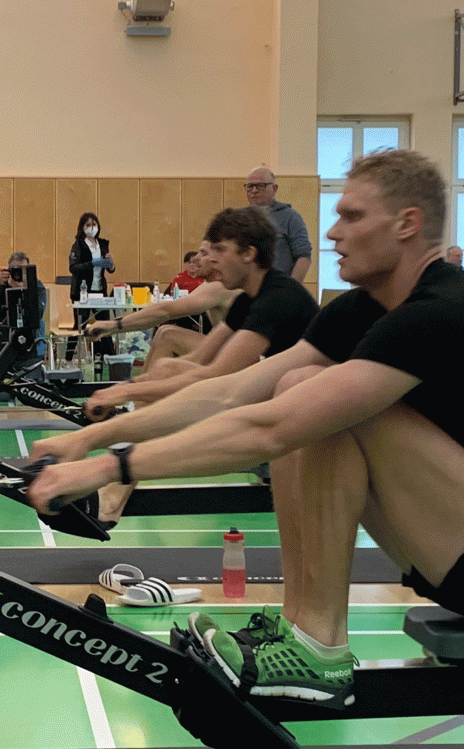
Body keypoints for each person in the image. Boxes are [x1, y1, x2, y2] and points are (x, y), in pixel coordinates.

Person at [27, 150, 464, 707]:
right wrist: (89, 438)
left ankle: (319, 647)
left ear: (407, 224)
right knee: (296, 384)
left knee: (317, 406)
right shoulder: (363, 309)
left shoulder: (439, 311)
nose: (332, 232)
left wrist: (109, 468)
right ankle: (298, 626)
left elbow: (270, 430)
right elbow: (230, 392)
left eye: (351, 216)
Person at [63, 207, 316, 525]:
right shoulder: (246, 299)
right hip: (269, 391)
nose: (210, 260)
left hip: (298, 415)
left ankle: (115, 484)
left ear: (249, 254)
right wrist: (136, 388)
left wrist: (126, 390)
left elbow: (215, 374)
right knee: (168, 367)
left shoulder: (276, 298)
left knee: (173, 366)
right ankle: (118, 464)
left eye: (219, 250)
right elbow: (198, 362)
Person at [85, 240, 238, 361]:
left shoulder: (220, 285)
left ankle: (141, 391)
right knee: (165, 336)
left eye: (203, 253)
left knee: (167, 335)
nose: (196, 258)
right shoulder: (213, 282)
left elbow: (165, 311)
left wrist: (112, 325)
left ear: (216, 259)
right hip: (225, 348)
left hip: (234, 355)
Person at [0, 251, 48, 361]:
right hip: (4, 342)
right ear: (9, 270)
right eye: (15, 269)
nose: (18, 274)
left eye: (22, 270)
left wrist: (23, 290)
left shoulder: (36, 286)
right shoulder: (2, 285)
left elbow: (37, 314)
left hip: (29, 342)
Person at [245, 166, 312, 281]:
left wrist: (291, 287)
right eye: (250, 186)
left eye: (261, 185)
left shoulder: (290, 217)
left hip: (278, 286)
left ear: (274, 188)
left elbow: (303, 256)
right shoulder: (240, 218)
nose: (254, 190)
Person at [68, 212, 114, 335]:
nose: (92, 227)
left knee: (104, 326)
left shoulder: (103, 244)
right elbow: (73, 268)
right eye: (88, 225)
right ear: (82, 227)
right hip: (82, 292)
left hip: (99, 290)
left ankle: (105, 348)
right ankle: (72, 348)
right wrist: (92, 263)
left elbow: (110, 269)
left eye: (94, 224)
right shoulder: (78, 245)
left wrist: (111, 263)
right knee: (80, 326)